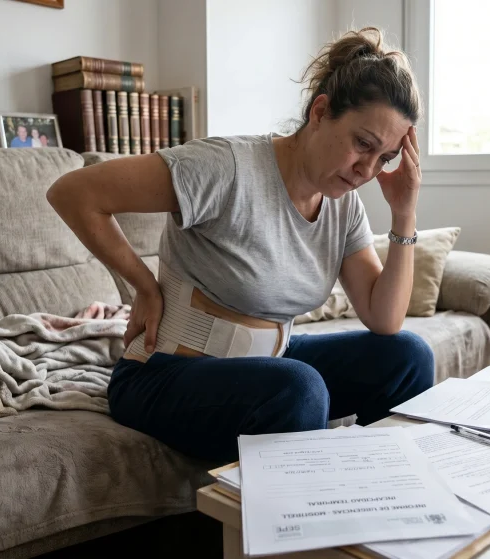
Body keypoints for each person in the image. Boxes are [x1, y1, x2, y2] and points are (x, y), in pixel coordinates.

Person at [47, 27, 429, 464]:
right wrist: (144, 286)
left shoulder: (343, 206)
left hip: (271, 364)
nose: (367, 169)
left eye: (385, 157)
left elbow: (385, 319)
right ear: (321, 111)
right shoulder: (225, 168)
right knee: (299, 388)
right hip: (163, 374)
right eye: (363, 144)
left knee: (406, 356)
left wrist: (404, 213)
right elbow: (74, 193)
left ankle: (385, 495)